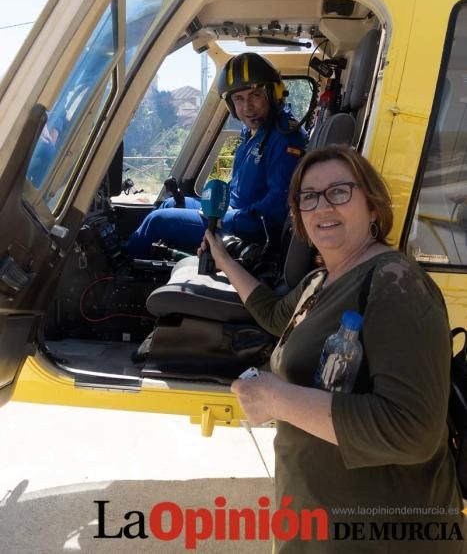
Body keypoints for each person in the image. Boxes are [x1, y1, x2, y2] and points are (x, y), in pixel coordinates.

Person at [200, 144, 463, 553]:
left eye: (340, 192)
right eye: (309, 197)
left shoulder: (395, 283)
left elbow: (413, 431)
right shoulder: (318, 283)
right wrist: (223, 258)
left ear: (373, 207)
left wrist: (276, 397)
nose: (323, 206)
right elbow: (274, 315)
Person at [127, 53, 307, 257]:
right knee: (171, 203)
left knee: (156, 221)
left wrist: (229, 218)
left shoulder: (285, 137)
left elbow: (277, 205)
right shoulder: (253, 131)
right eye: (239, 98)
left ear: (273, 94)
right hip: (233, 211)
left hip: (249, 229)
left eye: (255, 95)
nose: (247, 108)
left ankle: (118, 279)